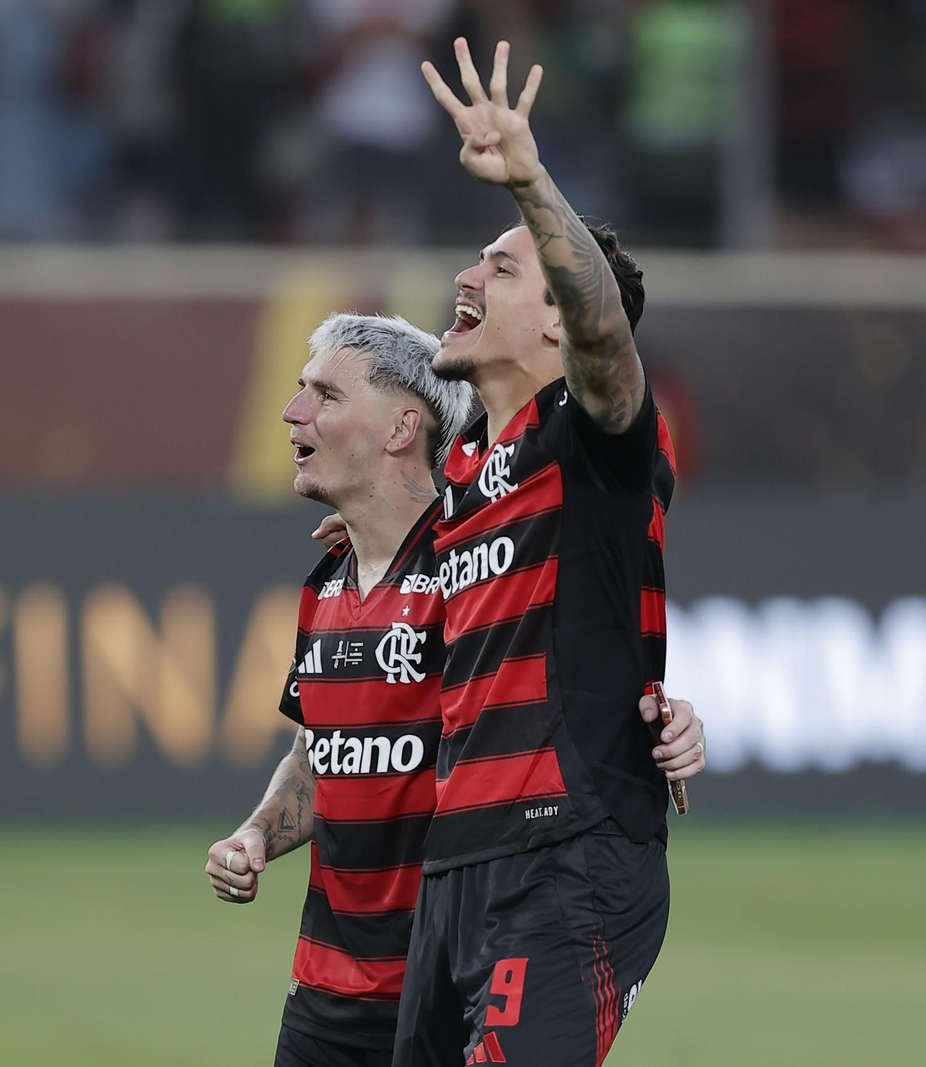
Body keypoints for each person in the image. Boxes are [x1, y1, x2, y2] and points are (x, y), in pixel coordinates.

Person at [204, 313, 706, 1067]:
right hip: (324, 986)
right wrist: (256, 832)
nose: (292, 411)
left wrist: (666, 719)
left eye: (325, 394)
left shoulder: (471, 573)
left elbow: (570, 674)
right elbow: (324, 748)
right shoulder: (326, 587)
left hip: (447, 973)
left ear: (404, 423)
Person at [389, 38, 694, 1067]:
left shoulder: (589, 435)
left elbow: (609, 341)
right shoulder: (464, 470)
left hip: (568, 860)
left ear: (560, 324)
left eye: (504, 264)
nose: (468, 273)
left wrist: (528, 178)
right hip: (455, 871)